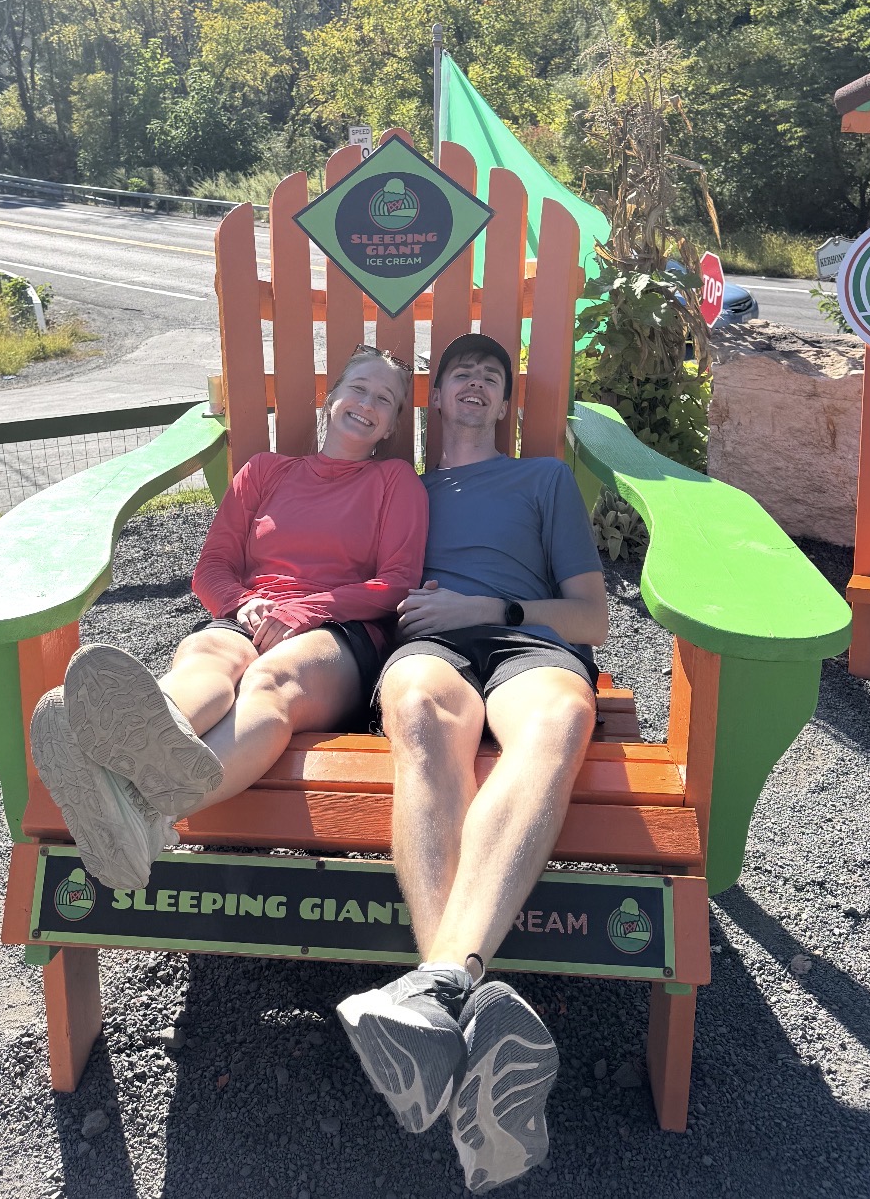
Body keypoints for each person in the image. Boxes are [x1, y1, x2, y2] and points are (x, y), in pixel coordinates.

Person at [336, 333, 609, 1195]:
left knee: (563, 716)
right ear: (436, 398)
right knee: (416, 710)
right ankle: (458, 998)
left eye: (491, 376)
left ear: (503, 403)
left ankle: (434, 999)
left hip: (526, 639)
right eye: (462, 372)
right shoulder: (398, 490)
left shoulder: (543, 479)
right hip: (429, 654)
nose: (477, 383)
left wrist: (491, 602)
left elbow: (592, 618)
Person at [30, 346, 428, 890]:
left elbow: (397, 581)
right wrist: (243, 605)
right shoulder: (265, 473)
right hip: (252, 615)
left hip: (339, 633)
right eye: (358, 387)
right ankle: (127, 786)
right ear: (331, 397)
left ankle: (139, 807)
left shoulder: (394, 481)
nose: (368, 403)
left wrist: (305, 610)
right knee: (208, 655)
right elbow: (212, 567)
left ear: (393, 424)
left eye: (385, 399)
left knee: (271, 679)